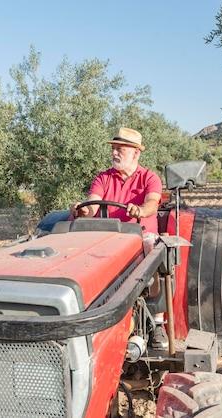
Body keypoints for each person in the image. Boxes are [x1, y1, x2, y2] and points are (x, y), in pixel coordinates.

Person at [70, 127, 168, 348]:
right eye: (113, 149)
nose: (114, 153)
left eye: (119, 149)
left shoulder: (149, 178)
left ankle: (159, 322)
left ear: (135, 153)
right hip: (107, 236)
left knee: (154, 249)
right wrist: (82, 210)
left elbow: (152, 203)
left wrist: (141, 211)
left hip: (138, 234)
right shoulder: (103, 178)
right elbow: (93, 205)